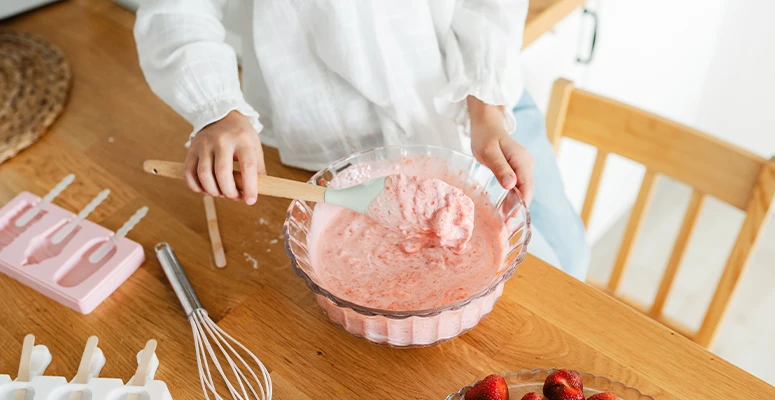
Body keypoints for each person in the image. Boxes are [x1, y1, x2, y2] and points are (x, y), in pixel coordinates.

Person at [134, 0, 589, 279]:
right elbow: (177, 9)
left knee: (570, 257)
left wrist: (486, 111)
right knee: (545, 289)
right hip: (330, 133)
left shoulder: (486, 106)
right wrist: (219, 110)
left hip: (476, 104)